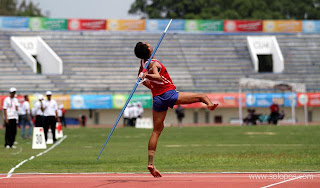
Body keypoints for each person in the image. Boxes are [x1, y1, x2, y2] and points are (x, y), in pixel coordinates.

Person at [135, 42, 218, 178]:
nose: (150, 44)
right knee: (202, 96)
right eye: (148, 44)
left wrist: (147, 80)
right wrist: (148, 76)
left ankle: (151, 163)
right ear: (149, 49)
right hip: (169, 94)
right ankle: (209, 105)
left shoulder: (143, 64)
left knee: (156, 130)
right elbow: (157, 77)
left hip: (157, 99)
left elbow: (142, 80)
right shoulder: (155, 63)